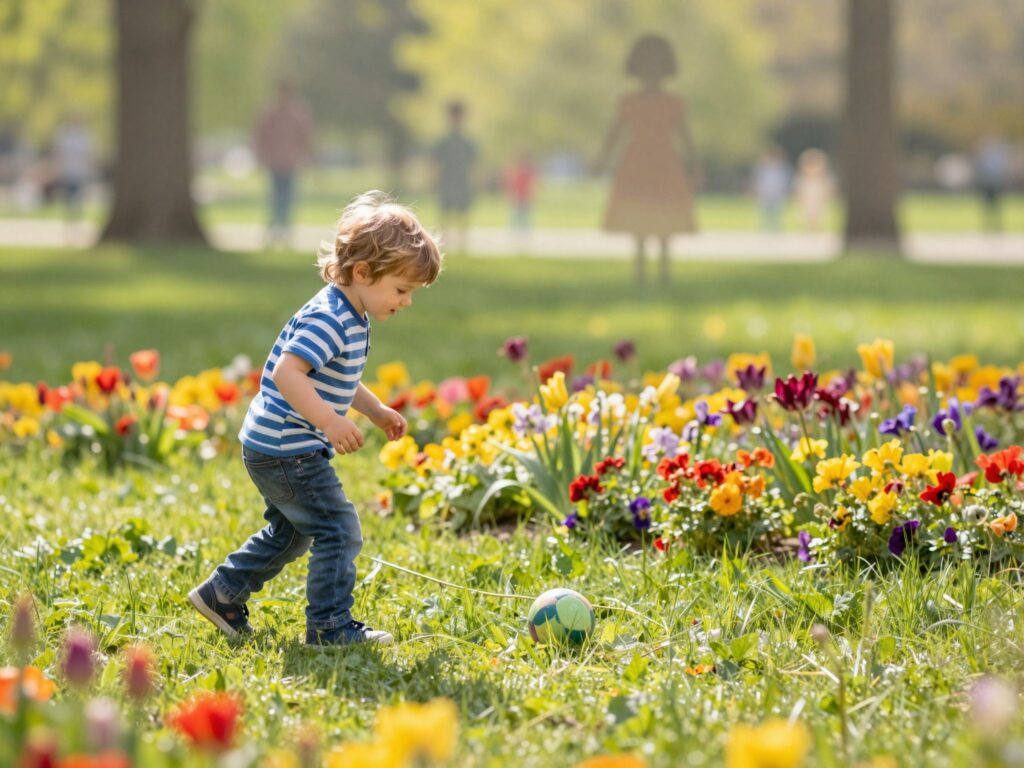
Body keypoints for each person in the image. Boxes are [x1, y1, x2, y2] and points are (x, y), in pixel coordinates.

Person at [189, 191, 442, 646]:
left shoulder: (351, 314)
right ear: (362, 272)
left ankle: (222, 593)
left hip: (272, 445)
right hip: (289, 449)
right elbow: (288, 373)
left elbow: (337, 376)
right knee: (339, 531)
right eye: (401, 290)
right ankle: (329, 626)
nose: (406, 302)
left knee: (292, 533)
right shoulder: (330, 319)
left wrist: (374, 410)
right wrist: (329, 421)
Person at [596, 34, 699, 286]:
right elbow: (614, 134)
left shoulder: (674, 103)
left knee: (664, 218)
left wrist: (696, 165)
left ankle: (664, 273)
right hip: (637, 164)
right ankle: (640, 273)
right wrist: (601, 160)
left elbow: (685, 137)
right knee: (638, 218)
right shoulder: (628, 102)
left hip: (664, 164)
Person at [253, 81, 314, 248]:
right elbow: (260, 135)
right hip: (274, 161)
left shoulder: (298, 113)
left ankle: (285, 230)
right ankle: (273, 229)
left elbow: (305, 136)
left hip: (291, 162)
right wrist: (261, 156)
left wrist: (308, 156)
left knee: (287, 198)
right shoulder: (270, 112)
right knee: (275, 197)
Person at [433, 101, 477, 254]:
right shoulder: (444, 142)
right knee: (445, 214)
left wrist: (475, 182)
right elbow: (436, 163)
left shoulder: (467, 143)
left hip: (462, 182)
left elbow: (473, 165)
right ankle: (443, 244)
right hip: (447, 182)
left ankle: (462, 245)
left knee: (463, 214)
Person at [52, 113, 95, 222]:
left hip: (80, 171)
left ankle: (77, 216)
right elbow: (59, 153)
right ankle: (70, 217)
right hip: (68, 171)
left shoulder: (84, 137)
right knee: (69, 196)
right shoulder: (66, 136)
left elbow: (88, 155)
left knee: (78, 196)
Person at [974, 135, 1012, 233]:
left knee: (997, 206)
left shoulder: (997, 158)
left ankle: (997, 226)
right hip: (988, 184)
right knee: (987, 206)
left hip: (995, 184)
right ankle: (988, 225)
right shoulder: (986, 158)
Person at [504, 151, 538, 250]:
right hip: (518, 198)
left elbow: (533, 185)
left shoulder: (529, 172)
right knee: (517, 219)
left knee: (524, 220)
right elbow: (512, 185)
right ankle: (516, 238)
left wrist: (532, 196)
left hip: (525, 199)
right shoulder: (518, 172)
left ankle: (524, 239)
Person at [793, 148, 834, 231]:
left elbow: (828, 187)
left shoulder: (823, 178)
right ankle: (809, 227)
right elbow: (798, 187)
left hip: (818, 198)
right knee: (807, 213)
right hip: (807, 198)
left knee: (818, 213)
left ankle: (817, 227)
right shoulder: (802, 178)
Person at [751, 145, 791, 231]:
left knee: (777, 212)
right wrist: (757, 191)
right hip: (765, 194)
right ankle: (765, 228)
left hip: (777, 194)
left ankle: (776, 227)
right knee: (765, 212)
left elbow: (785, 182)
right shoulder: (763, 169)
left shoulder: (783, 170)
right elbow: (758, 182)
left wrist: (785, 192)